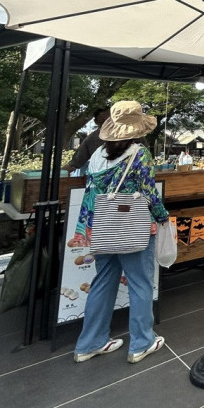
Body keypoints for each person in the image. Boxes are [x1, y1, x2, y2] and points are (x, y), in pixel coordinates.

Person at [68, 101, 167, 364]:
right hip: (133, 227)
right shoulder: (139, 154)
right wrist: (163, 217)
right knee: (140, 282)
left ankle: (89, 343)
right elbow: (148, 194)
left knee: (102, 281)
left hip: (102, 226)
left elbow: (90, 195)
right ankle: (142, 343)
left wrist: (84, 229)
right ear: (137, 129)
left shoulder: (97, 155)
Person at [63, 106, 110, 173]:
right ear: (96, 122)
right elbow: (74, 164)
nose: (107, 124)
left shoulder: (126, 135)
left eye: (109, 120)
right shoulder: (91, 140)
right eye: (103, 121)